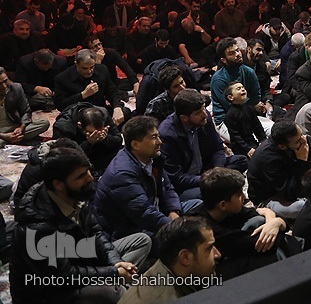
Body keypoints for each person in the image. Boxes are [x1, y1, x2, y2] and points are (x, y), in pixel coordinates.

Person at [10, 147, 150, 304]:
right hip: (51, 291)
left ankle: (122, 282)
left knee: (141, 241)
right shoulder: (38, 227)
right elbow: (64, 276)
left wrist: (116, 263)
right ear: (59, 184)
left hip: (81, 262)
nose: (90, 178)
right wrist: (114, 273)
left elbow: (96, 234)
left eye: (88, 171)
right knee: (112, 292)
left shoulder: (75, 195)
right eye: (81, 176)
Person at [188, 168, 297, 279]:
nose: (245, 198)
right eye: (239, 194)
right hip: (210, 277)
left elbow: (271, 217)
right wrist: (274, 224)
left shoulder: (226, 210)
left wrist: (274, 223)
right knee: (265, 255)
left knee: (259, 221)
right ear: (223, 205)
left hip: (233, 253)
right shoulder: (205, 229)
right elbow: (268, 246)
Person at [94, 116, 185, 240]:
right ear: (135, 145)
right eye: (154, 137)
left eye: (158, 136)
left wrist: (173, 211)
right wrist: (176, 227)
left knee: (196, 205)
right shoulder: (122, 174)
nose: (160, 142)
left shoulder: (154, 158)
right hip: (132, 231)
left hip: (158, 214)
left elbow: (168, 188)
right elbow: (144, 213)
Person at [159, 89, 248, 203]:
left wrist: (218, 170)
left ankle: (223, 187)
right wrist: (209, 178)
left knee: (241, 161)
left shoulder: (204, 119)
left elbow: (217, 147)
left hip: (207, 170)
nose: (204, 114)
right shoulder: (167, 134)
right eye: (198, 113)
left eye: (204, 108)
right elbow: (176, 177)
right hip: (187, 183)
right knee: (210, 193)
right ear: (184, 118)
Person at [118, 216, 221, 304]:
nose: (217, 254)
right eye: (209, 248)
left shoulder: (168, 269)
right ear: (185, 257)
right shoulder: (166, 299)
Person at [54, 49, 128, 125]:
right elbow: (61, 105)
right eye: (84, 68)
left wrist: (117, 107)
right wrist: (83, 95)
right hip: (78, 115)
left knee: (125, 112)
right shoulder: (62, 78)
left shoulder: (102, 70)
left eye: (92, 67)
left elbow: (112, 91)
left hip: (100, 111)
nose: (89, 71)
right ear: (76, 64)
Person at [51, 103, 123, 175]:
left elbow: (118, 139)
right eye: (91, 132)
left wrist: (105, 139)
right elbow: (62, 158)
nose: (97, 135)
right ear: (80, 125)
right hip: (79, 157)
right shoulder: (63, 127)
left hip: (100, 152)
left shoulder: (103, 114)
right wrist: (89, 143)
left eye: (99, 131)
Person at [209, 37, 261, 124]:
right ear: (223, 60)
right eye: (231, 53)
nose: (237, 54)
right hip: (226, 120)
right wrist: (250, 103)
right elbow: (229, 106)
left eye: (237, 50)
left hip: (248, 115)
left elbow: (256, 96)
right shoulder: (218, 79)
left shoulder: (249, 71)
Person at [0, 66, 50, 145]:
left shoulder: (16, 88)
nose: (4, 86)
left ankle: (11, 139)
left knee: (44, 123)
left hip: (13, 126)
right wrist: (4, 136)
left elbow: (26, 111)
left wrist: (21, 127)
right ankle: (10, 139)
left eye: (5, 81)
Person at [223, 81, 266, 157]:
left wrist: (263, 140)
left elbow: (257, 126)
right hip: (240, 148)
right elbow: (235, 137)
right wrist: (248, 149)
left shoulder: (249, 109)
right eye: (238, 89)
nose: (243, 89)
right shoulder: (230, 115)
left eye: (243, 88)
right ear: (230, 97)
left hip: (252, 142)